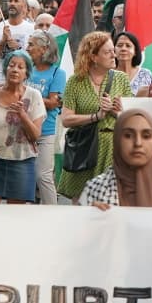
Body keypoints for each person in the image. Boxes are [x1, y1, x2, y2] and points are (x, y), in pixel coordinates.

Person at [58, 31, 134, 202]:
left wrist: (116, 112)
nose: (114, 55)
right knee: (81, 201)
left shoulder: (121, 79)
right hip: (85, 148)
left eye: (112, 50)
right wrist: (96, 116)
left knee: (110, 201)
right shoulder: (75, 82)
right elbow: (66, 119)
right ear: (93, 56)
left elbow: (131, 119)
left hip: (113, 149)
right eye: (108, 52)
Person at [78, 108, 152, 211]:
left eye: (146, 136)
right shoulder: (94, 189)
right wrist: (88, 220)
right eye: (128, 135)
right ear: (117, 141)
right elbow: (78, 232)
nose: (138, 143)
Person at [0, 51, 46, 204]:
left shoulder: (34, 96)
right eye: (11, 65)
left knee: (15, 219)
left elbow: (35, 136)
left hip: (22, 161)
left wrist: (22, 115)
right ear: (5, 69)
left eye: (20, 67)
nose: (15, 70)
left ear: (27, 73)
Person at [26, 30, 66, 206]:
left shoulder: (58, 73)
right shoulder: (27, 69)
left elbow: (53, 103)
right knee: (27, 176)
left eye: (31, 45)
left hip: (45, 130)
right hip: (23, 130)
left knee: (43, 175)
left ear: (43, 49)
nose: (27, 48)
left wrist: (27, 96)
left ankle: (52, 212)